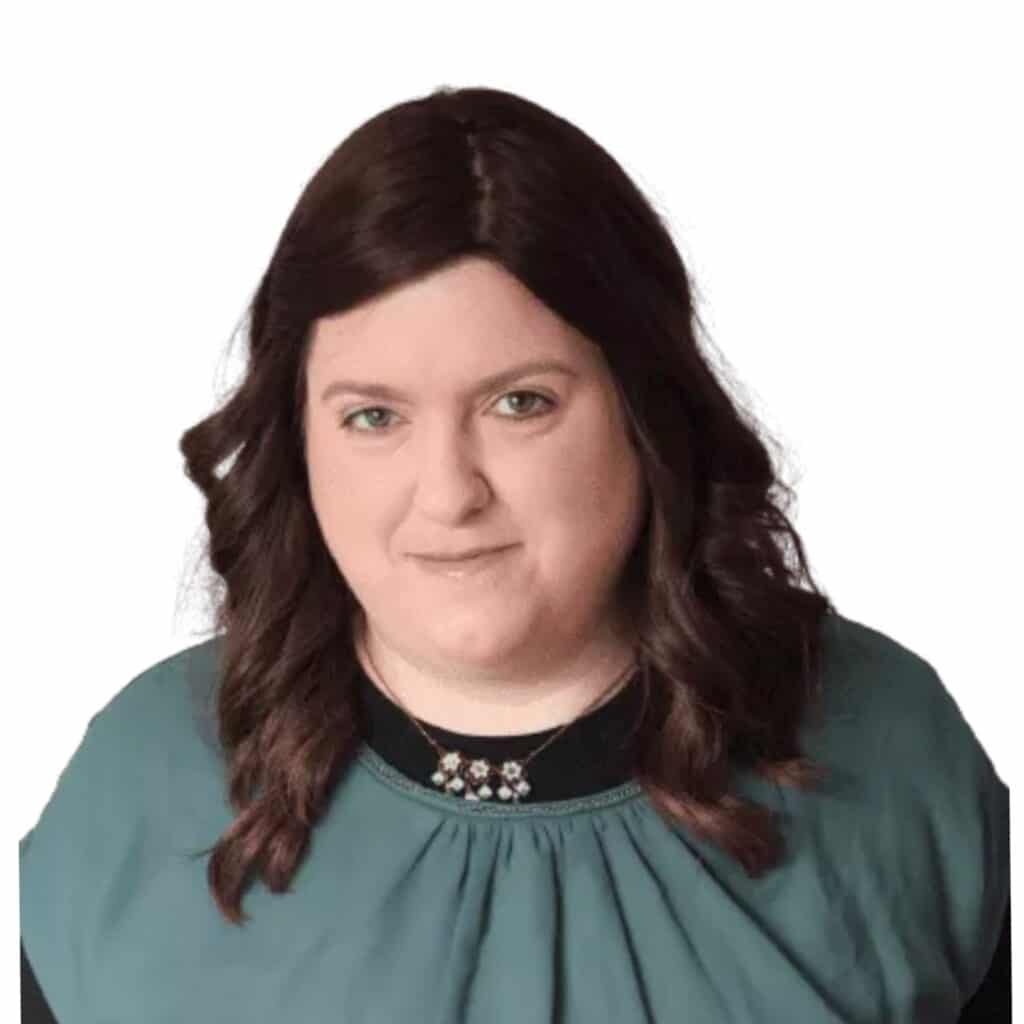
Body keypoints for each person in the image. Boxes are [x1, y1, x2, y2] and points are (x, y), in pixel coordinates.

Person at [20, 85, 1009, 1023]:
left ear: (644, 410)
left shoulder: (894, 752)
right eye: (373, 417)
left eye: (519, 403)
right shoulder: (137, 786)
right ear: (301, 440)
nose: (448, 492)